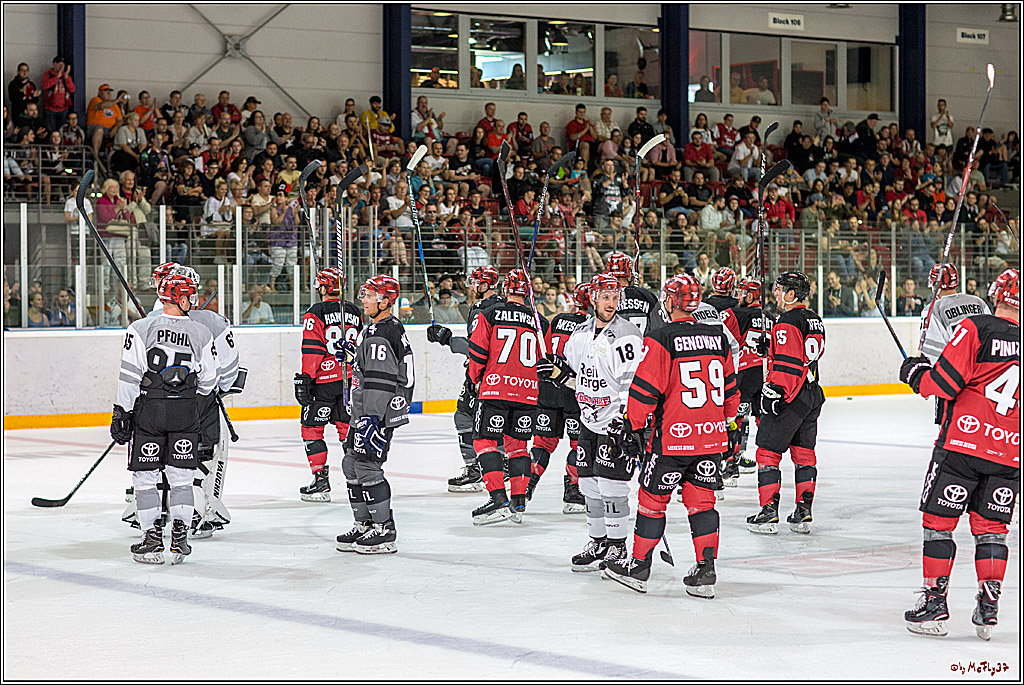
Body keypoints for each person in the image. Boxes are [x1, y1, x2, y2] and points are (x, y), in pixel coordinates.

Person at [897, 268, 1018, 640]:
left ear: (995, 295)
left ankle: (935, 603)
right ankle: (988, 606)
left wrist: (916, 373)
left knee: (938, 523)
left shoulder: (976, 327)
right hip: (1010, 452)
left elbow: (944, 384)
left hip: (962, 446)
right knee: (992, 529)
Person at [601, 273, 738, 596]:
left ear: (671, 301)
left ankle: (639, 567)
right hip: (711, 438)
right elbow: (730, 390)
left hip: (672, 440)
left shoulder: (661, 337)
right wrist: (728, 424)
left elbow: (645, 389)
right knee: (703, 503)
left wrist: (632, 426)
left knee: (652, 502)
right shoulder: (717, 337)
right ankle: (706, 569)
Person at [536, 272, 643, 571]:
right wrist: (558, 375)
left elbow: (633, 384)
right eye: (605, 296)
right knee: (588, 484)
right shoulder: (580, 335)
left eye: (615, 297)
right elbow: (578, 380)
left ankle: (617, 545)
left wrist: (627, 421)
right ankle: (598, 541)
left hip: (615, 422)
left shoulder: (627, 335)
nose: (611, 302)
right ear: (593, 298)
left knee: (612, 486)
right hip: (588, 419)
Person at [111, 274, 217, 564]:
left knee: (145, 478)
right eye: (190, 295)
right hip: (186, 411)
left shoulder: (140, 328)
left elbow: (130, 376)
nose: (194, 299)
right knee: (182, 478)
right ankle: (179, 538)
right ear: (180, 298)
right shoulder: (201, 331)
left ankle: (152, 541)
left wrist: (122, 412)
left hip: (150, 411)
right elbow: (209, 380)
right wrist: (188, 396)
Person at [330, 274, 413, 554]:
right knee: (351, 463)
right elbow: (373, 367)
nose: (363, 300)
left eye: (368, 295)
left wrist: (372, 418)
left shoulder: (381, 333)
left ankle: (384, 529)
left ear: (385, 301)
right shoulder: (378, 329)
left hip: (375, 412)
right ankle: (364, 524)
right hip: (366, 411)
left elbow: (381, 380)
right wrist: (353, 356)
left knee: (367, 466)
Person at [746, 271, 826, 535]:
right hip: (811, 393)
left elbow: (789, 364)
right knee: (804, 453)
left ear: (792, 294)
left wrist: (776, 392)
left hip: (790, 394)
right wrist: (770, 346)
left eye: (781, 290)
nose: (776, 294)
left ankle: (768, 512)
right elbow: (804, 354)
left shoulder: (786, 321)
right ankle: (803, 512)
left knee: (767, 452)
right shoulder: (814, 319)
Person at [466, 269, 544, 524]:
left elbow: (478, 351)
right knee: (518, 446)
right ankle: (518, 502)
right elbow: (546, 358)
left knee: (484, 442)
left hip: (495, 388)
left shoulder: (490, 313)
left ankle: (498, 498)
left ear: (505, 288)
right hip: (527, 391)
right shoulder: (539, 320)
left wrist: (475, 379)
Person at [426, 266, 504, 492]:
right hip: (501, 374)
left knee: (465, 416)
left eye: (475, 282)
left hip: (484, 374)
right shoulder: (503, 306)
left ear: (485, 285)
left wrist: (447, 339)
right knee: (493, 419)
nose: (471, 287)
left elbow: (477, 349)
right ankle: (502, 465)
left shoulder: (482, 309)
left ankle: (475, 470)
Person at [293, 267, 366, 503]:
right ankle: (358, 477)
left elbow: (312, 349)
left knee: (312, 429)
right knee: (347, 428)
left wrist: (306, 377)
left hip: (323, 382)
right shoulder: (354, 311)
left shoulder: (315, 312)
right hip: (349, 379)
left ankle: (320, 481)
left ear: (323, 287)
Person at [531, 283, 590, 512]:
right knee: (579, 444)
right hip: (573, 390)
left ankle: (523, 490)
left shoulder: (558, 319)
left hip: (548, 388)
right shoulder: (592, 326)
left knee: (543, 443)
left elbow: (545, 352)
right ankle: (573, 493)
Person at [720, 277, 767, 476]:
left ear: (750, 296)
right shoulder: (769, 316)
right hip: (765, 374)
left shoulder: (734, 314)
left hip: (744, 374)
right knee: (763, 421)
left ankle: (732, 465)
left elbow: (722, 336)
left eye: (741, 293)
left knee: (737, 419)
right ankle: (767, 465)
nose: (738, 297)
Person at [604, 252, 662, 335]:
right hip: (643, 342)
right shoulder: (647, 295)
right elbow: (659, 327)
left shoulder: (603, 298)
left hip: (615, 342)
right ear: (630, 272)